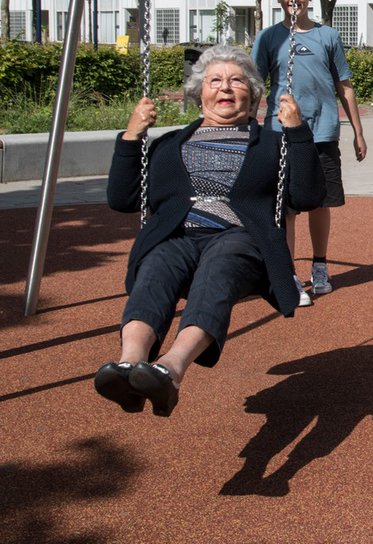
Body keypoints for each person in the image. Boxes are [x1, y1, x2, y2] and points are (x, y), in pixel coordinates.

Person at [95, 45, 324, 418]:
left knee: (220, 265)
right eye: (215, 80)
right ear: (199, 92)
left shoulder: (273, 145)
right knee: (156, 265)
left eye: (236, 81)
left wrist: (297, 133)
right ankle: (129, 365)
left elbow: (308, 196)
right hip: (179, 236)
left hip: (240, 238)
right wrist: (133, 136)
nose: (225, 88)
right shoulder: (168, 145)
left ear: (252, 94)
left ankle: (169, 370)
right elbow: (123, 199)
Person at [252, 0, 367, 305]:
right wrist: (248, 129)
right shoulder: (268, 38)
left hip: (322, 132)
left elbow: (344, 86)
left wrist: (358, 132)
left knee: (320, 202)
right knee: (286, 207)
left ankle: (319, 265)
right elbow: (254, 86)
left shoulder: (327, 36)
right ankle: (289, 274)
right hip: (281, 133)